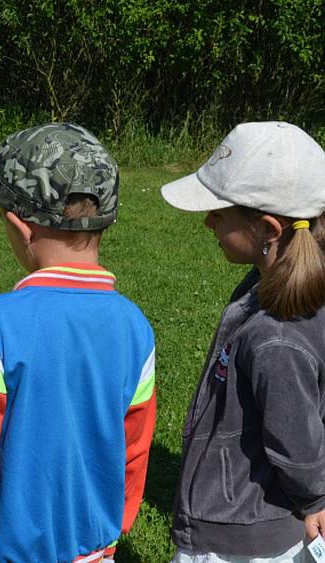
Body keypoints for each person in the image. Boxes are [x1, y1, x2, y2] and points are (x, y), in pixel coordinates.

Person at [0, 123, 157, 562]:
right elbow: (134, 455)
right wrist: (113, 529)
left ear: (18, 226)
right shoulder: (136, 328)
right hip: (94, 552)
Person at [161, 121, 325, 562]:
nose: (208, 221)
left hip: (236, 540)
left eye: (219, 209)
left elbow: (296, 438)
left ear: (269, 230)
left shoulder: (278, 334)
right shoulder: (275, 282)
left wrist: (313, 499)